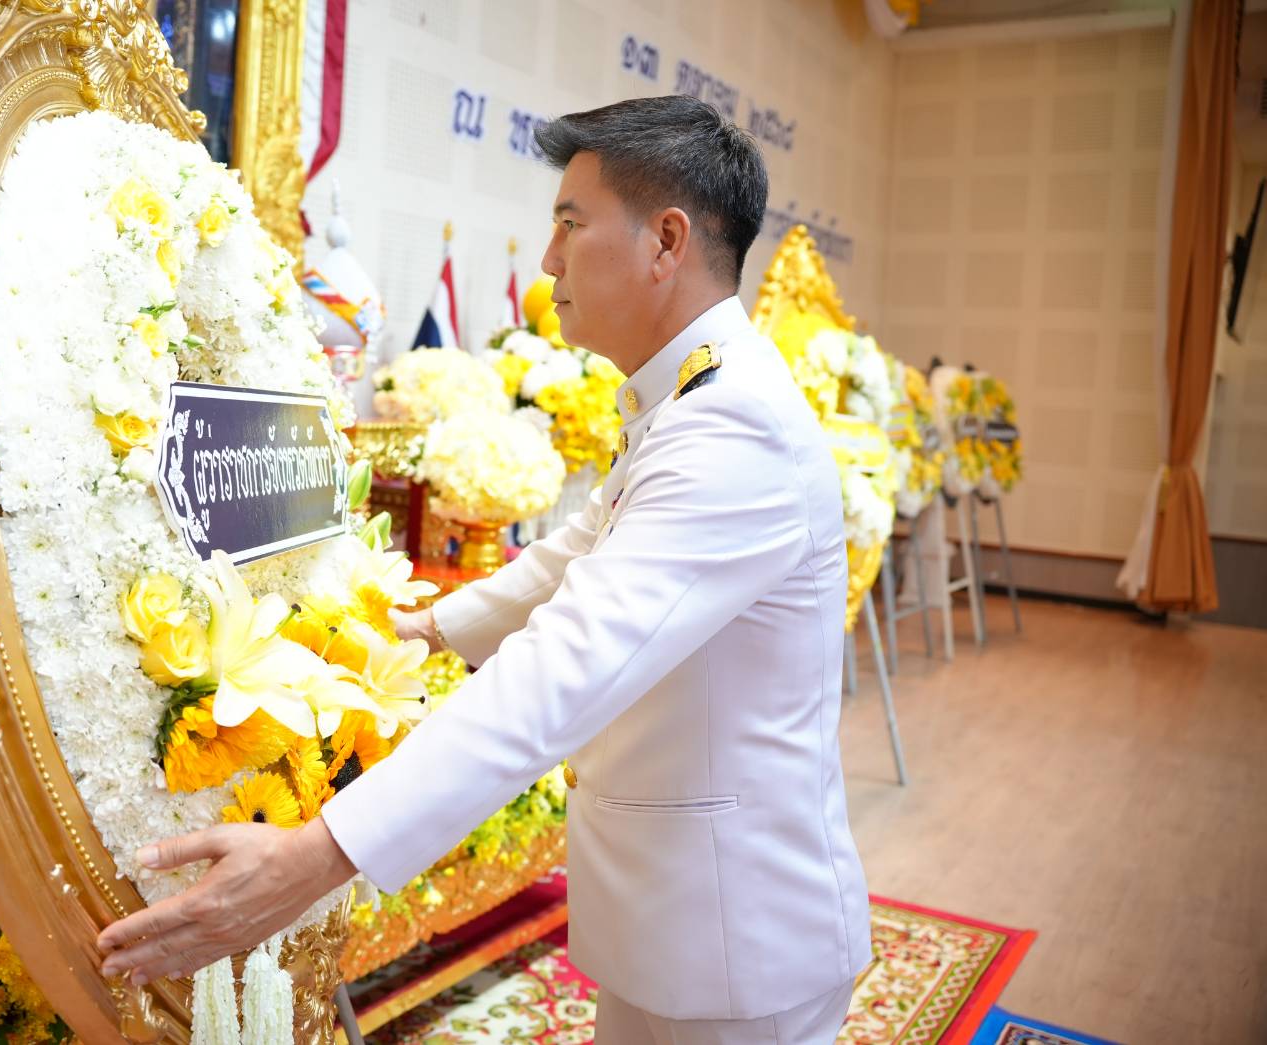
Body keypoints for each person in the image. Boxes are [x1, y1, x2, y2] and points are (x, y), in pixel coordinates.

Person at [98, 95, 870, 1044]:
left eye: (570, 224)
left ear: (666, 241)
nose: (548, 260)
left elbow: (565, 666)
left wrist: (317, 855)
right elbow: (579, 550)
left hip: (735, 940)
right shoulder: (690, 397)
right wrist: (421, 631)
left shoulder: (731, 425)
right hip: (679, 920)